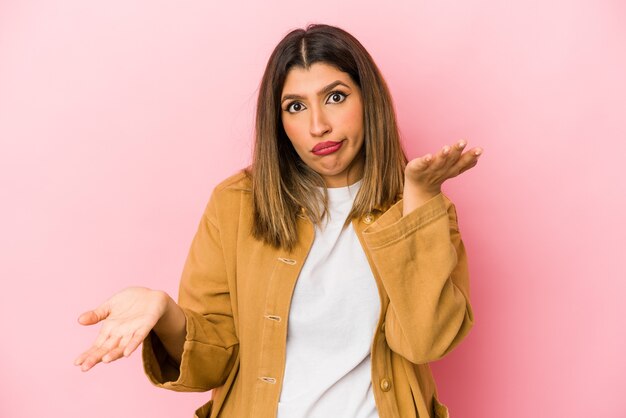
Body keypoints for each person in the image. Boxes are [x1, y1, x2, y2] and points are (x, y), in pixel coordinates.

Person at [75, 23, 481, 418]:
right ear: (278, 120)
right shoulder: (235, 204)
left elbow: (425, 343)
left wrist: (420, 200)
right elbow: (213, 363)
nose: (318, 124)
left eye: (336, 97)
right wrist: (164, 310)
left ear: (368, 100)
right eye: (296, 106)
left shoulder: (420, 206)